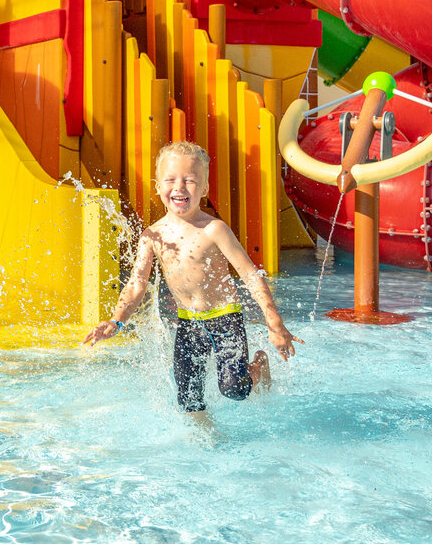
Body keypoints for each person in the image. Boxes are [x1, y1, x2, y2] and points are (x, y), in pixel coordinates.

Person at [84, 141, 301, 420]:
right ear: (157, 186)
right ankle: (206, 440)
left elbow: (249, 274)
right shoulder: (152, 236)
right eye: (171, 180)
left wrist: (274, 322)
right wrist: (116, 320)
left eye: (190, 180)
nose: (179, 187)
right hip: (188, 322)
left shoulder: (214, 229)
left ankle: (258, 365)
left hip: (225, 317)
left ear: (205, 189)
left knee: (235, 389)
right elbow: (137, 283)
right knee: (188, 395)